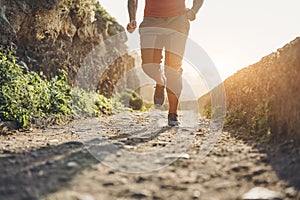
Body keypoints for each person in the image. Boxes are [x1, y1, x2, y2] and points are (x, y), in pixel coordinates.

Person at [127, 0, 204, 126]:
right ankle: (160, 81)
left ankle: (173, 113)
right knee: (148, 65)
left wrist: (194, 10)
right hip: (151, 21)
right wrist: (132, 18)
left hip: (178, 22)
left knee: (173, 69)